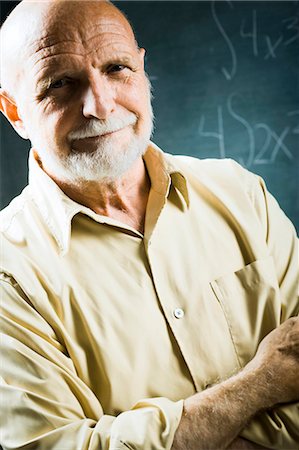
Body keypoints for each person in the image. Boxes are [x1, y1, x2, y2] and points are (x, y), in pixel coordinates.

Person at [0, 1, 298, 449]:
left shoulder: (241, 194)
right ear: (15, 112)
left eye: (117, 68)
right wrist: (259, 384)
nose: (99, 105)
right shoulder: (9, 274)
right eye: (60, 83)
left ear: (142, 71)